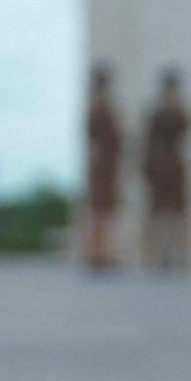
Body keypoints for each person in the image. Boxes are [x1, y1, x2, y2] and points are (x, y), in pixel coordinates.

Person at [143, 68, 191, 271]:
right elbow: (149, 142)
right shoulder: (157, 113)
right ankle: (157, 255)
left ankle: (178, 255)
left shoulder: (179, 112)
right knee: (158, 214)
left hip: (175, 166)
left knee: (178, 214)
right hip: (160, 168)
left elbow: (188, 129)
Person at [85, 64, 122, 269]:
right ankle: (97, 253)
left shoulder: (99, 107)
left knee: (103, 211)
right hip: (103, 165)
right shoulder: (100, 108)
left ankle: (100, 251)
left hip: (105, 164)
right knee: (100, 211)